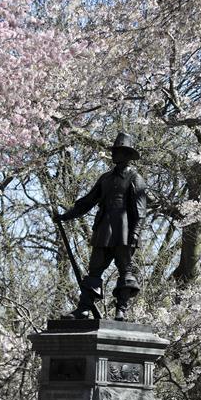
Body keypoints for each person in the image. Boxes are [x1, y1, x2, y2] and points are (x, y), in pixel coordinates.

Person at [55, 132, 147, 321]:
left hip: (124, 231)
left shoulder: (135, 179)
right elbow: (88, 201)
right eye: (114, 151)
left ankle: (121, 309)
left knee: (125, 271)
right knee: (95, 269)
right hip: (104, 229)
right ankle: (84, 308)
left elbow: (140, 211)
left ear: (127, 154)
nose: (114, 154)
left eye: (118, 151)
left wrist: (135, 233)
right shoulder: (105, 178)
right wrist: (66, 216)